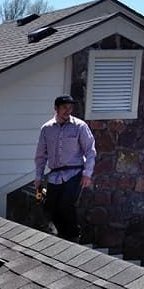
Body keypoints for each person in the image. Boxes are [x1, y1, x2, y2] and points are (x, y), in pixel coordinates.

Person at [34, 94, 97, 241]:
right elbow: (40, 156)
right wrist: (38, 177)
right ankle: (63, 237)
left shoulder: (80, 126)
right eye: (64, 107)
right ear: (56, 109)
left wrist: (87, 173)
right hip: (55, 175)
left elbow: (90, 150)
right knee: (50, 207)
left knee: (66, 204)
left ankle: (74, 236)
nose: (68, 111)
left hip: (75, 172)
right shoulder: (46, 129)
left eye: (70, 108)